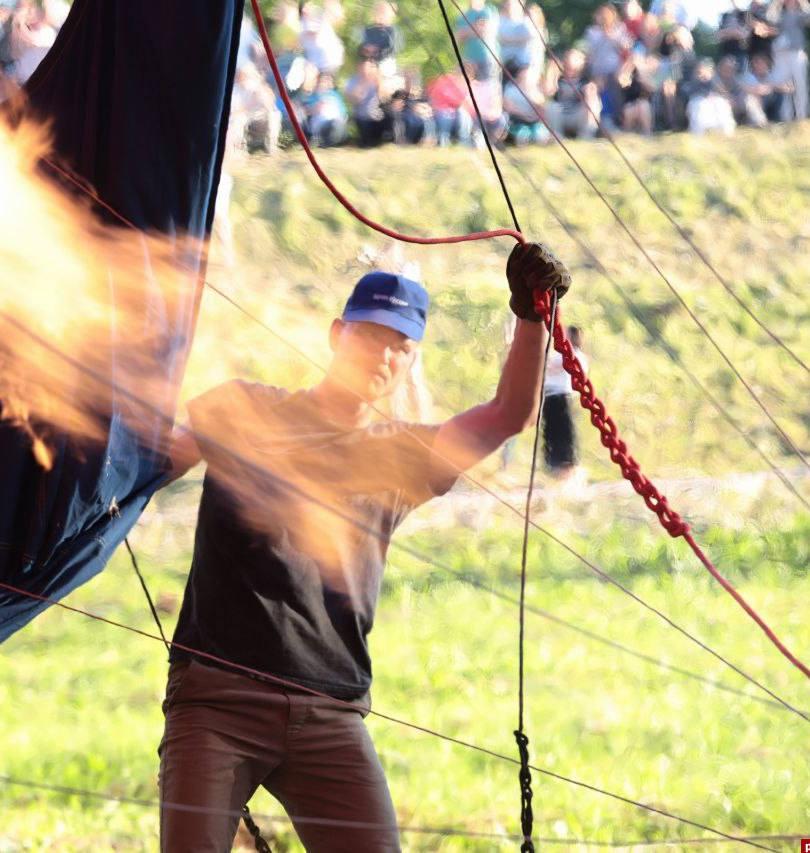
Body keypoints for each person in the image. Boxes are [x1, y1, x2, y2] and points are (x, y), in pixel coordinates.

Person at [156, 243, 572, 852]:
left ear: (410, 362)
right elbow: (145, 466)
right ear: (336, 334)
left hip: (330, 710)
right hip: (217, 700)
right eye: (371, 337)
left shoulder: (400, 455)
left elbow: (510, 415)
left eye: (400, 348)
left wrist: (532, 316)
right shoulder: (245, 407)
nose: (383, 357)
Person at [541, 324, 586, 481]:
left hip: (561, 396)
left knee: (563, 434)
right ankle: (555, 467)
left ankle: (566, 468)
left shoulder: (573, 355)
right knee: (552, 432)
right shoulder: (561, 355)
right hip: (551, 396)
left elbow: (550, 368)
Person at [768, 0, 810, 119]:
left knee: (801, 85)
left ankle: (802, 117)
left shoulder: (801, 14)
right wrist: (777, 3)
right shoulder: (780, 14)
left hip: (797, 53)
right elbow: (770, 18)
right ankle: (786, 118)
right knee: (784, 86)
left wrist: (803, 2)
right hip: (781, 55)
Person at [544, 47, 601, 138]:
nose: (569, 59)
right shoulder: (559, 79)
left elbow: (592, 100)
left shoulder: (585, 81)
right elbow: (548, 92)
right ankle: (557, 136)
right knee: (551, 106)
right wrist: (551, 73)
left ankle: (587, 135)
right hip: (561, 116)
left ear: (582, 62)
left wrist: (588, 94)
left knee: (593, 102)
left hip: (578, 117)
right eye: (568, 56)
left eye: (574, 57)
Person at [454, 0, 501, 81]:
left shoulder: (489, 11)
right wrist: (475, 28)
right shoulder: (464, 16)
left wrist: (467, 31)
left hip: (487, 59)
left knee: (488, 88)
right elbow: (458, 36)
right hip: (470, 60)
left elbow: (486, 30)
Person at [741, 53, 793, 122]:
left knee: (779, 94)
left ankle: (776, 120)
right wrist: (769, 87)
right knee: (764, 94)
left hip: (769, 102)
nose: (757, 66)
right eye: (755, 64)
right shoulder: (749, 77)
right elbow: (750, 90)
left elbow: (790, 88)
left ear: (767, 64)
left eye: (760, 63)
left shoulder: (773, 75)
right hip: (756, 103)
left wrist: (773, 86)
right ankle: (760, 120)